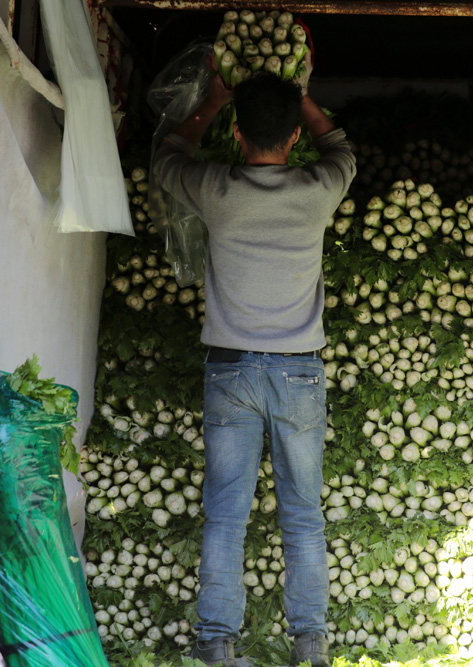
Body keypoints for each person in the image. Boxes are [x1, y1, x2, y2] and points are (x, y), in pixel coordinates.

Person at [152, 56, 355, 667]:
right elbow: (339, 144)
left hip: (230, 370)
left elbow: (165, 154)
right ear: (294, 137)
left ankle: (217, 643)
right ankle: (310, 645)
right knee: (303, 515)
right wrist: (304, 99)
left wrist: (214, 101)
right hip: (298, 372)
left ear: (236, 133)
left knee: (226, 516)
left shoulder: (217, 190)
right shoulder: (319, 190)